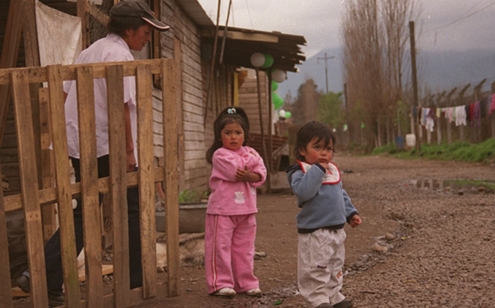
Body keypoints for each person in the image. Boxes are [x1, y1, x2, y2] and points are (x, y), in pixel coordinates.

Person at [14, 0, 169, 306]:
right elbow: (123, 106)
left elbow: (64, 93)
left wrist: (68, 133)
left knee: (85, 213)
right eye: (145, 31)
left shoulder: (90, 50)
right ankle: (135, 280)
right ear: (129, 29)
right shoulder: (119, 55)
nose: (148, 37)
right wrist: (128, 152)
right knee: (133, 207)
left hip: (82, 142)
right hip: (107, 144)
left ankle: (42, 275)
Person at [285, 121, 362, 308]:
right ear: (303, 150)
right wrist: (318, 170)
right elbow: (304, 193)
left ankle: (333, 295)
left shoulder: (332, 170)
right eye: (317, 147)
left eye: (328, 148)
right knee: (315, 268)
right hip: (315, 232)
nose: (324, 153)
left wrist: (350, 213)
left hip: (336, 230)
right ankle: (317, 299)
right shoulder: (300, 172)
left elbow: (340, 194)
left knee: (335, 265)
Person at [204, 106, 267, 298]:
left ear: (245, 135)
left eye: (238, 133)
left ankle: (245, 282)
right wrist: (251, 172)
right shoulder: (220, 155)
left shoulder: (251, 152)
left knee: (245, 248)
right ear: (219, 136)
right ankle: (220, 283)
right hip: (222, 210)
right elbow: (234, 171)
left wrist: (252, 174)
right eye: (228, 133)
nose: (233, 137)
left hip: (247, 209)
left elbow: (262, 174)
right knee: (219, 248)